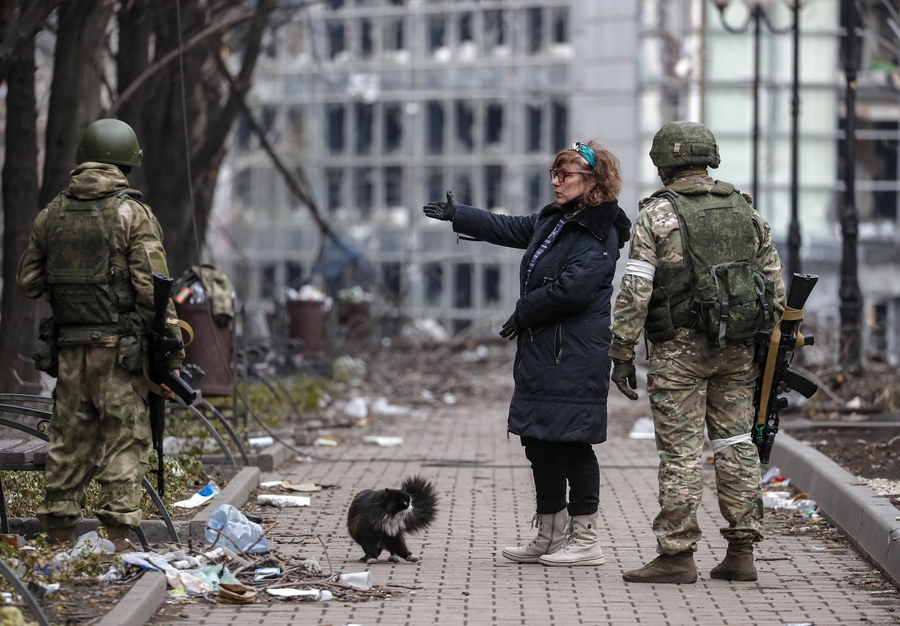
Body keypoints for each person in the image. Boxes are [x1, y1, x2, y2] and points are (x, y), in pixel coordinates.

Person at [423, 141, 631, 566]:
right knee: (538, 440)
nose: (555, 181)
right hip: (543, 352)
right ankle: (550, 533)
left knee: (573, 442)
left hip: (574, 353)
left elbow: (572, 289)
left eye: (564, 175)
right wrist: (459, 214)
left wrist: (522, 311)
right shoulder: (555, 220)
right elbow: (510, 227)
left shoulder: (599, 230)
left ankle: (586, 540)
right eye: (553, 174)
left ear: (592, 180)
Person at [609, 121, 786, 583]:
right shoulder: (745, 211)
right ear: (710, 156)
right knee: (736, 444)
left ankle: (676, 556)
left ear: (663, 161)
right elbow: (775, 288)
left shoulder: (656, 215)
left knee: (683, 453)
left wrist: (622, 351)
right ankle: (742, 552)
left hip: (678, 353)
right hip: (736, 350)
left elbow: (635, 290)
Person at [16, 118, 184, 551]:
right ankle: (118, 539)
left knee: (68, 443)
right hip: (119, 354)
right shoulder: (132, 213)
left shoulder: (52, 213)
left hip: (70, 351)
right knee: (126, 442)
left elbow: (29, 282)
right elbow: (153, 288)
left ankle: (57, 538)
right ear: (127, 161)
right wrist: (171, 350)